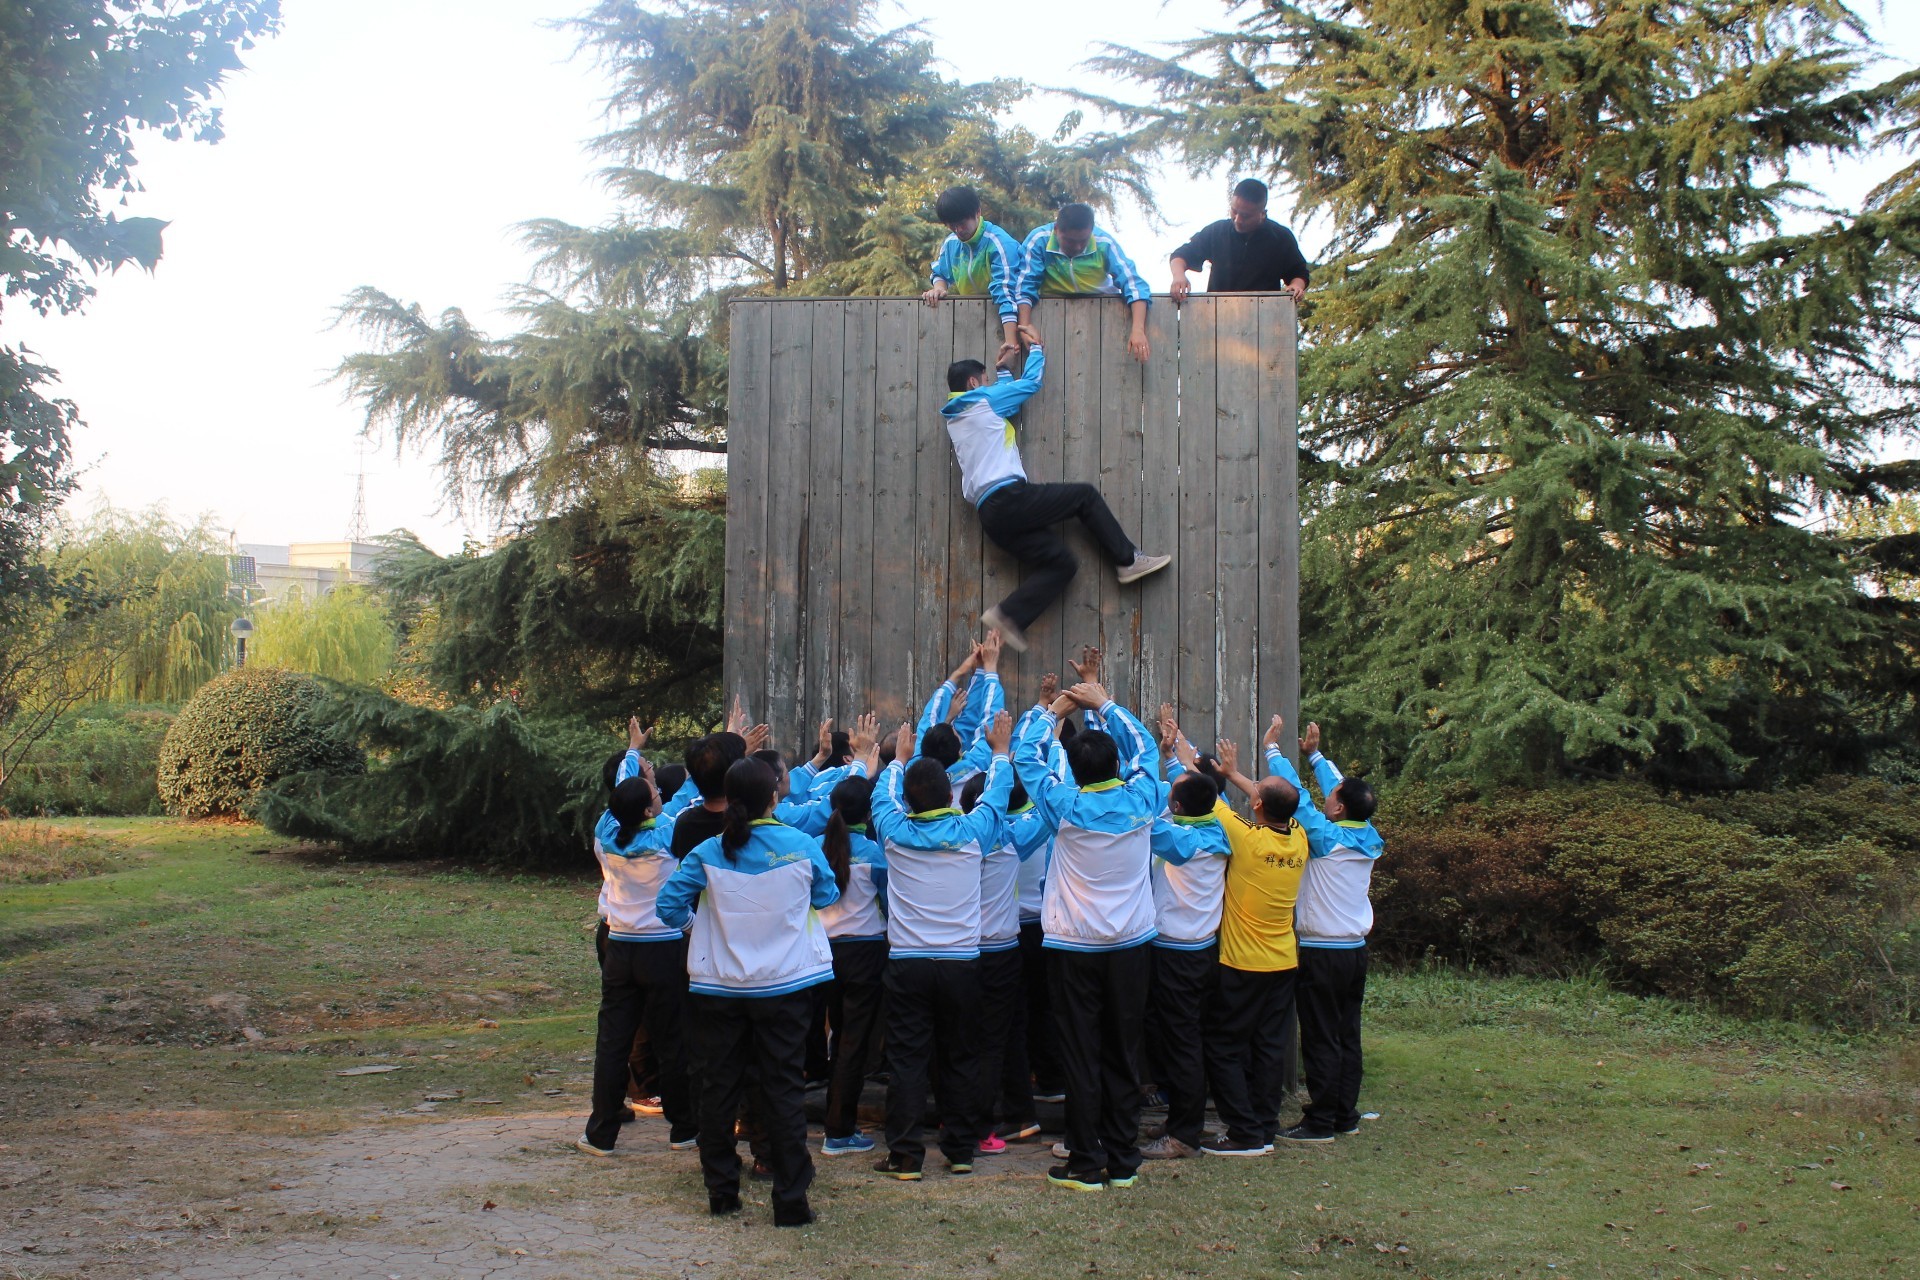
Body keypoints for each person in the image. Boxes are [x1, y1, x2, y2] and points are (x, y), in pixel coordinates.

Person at [657, 756, 839, 1227]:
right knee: (782, 1089)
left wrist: (699, 926)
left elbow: (667, 905)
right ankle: (791, 1202)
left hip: (719, 988)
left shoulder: (707, 851)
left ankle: (721, 1193)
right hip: (785, 985)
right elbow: (827, 896)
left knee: (718, 1089)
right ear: (775, 795)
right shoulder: (800, 845)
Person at [1011, 680, 1163, 1193]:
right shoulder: (1144, 798)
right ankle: (1123, 1159)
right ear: (1116, 766)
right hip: (1131, 947)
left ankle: (1082, 1161)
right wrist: (1106, 705)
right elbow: (1145, 747)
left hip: (1074, 949)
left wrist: (1052, 709)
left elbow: (1023, 754)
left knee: (1079, 1052)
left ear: (1071, 769)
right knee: (1123, 1052)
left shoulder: (1061, 804)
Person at [942, 333, 1170, 651]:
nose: (989, 384)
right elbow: (1031, 383)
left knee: (1062, 562)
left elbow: (1001, 412)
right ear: (972, 382)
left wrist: (1004, 371)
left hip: (991, 516)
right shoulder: (983, 401)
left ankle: (1009, 615)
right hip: (1009, 498)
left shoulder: (962, 414)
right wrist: (1036, 349)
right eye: (985, 379)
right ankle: (1128, 560)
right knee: (1084, 496)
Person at [868, 711, 1017, 1180]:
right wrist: (999, 751)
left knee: (909, 1061)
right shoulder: (975, 832)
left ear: (909, 799)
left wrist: (897, 759)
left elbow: (879, 795)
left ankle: (907, 1157)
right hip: (961, 965)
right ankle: (959, 1151)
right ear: (949, 794)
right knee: (961, 1057)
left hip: (908, 964)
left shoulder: (893, 832)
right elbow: (997, 792)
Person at [576, 725, 698, 1158]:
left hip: (620, 947)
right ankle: (684, 1128)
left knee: (613, 1041)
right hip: (662, 949)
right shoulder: (666, 836)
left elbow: (629, 789)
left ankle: (600, 1132)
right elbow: (688, 794)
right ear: (649, 809)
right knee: (672, 1041)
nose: (660, 796)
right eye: (654, 795)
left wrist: (633, 751)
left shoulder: (607, 831)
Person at [1264, 718, 1383, 1143]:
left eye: (1333, 797)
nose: (1329, 795)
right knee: (1347, 1033)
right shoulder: (1368, 835)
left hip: (1322, 952)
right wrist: (1315, 756)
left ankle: (1320, 1121)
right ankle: (1344, 1114)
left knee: (1319, 1036)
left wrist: (1274, 752)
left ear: (1338, 809)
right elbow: (1344, 790)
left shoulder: (1325, 837)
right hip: (1354, 951)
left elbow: (1294, 799)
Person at [1196, 733, 1309, 1157]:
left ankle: (1242, 1133)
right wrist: (1238, 774)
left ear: (1258, 806)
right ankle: (1264, 1124)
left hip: (1243, 965)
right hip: (1283, 963)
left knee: (1224, 1046)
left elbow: (1209, 796)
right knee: (1267, 1046)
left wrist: (1194, 758)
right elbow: (1272, 802)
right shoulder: (1297, 837)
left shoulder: (1245, 839)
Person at [1132, 704, 1233, 1160]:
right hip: (1204, 950)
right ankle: (1185, 1121)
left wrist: (1144, 758)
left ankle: (1183, 1134)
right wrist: (1171, 750)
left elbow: (1137, 818)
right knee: (1189, 1038)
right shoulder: (1221, 824)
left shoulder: (1178, 839)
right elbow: (1196, 792)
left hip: (1175, 954)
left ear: (1176, 806)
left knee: (1183, 1044)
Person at [817, 715, 891, 1155]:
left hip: (825, 953)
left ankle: (834, 1119)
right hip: (865, 953)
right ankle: (839, 1130)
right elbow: (887, 901)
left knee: (836, 1036)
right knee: (853, 1045)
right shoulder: (875, 854)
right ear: (869, 813)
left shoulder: (820, 848)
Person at [1015, 202, 1153, 361]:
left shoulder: (1104, 243)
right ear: (1056, 230)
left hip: (1104, 317)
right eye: (1070, 241)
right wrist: (1025, 327)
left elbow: (1133, 284)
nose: (1078, 246)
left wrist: (1138, 330)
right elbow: (1025, 284)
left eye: (1084, 240)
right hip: (1053, 318)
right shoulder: (1039, 240)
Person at [922, 185, 1024, 364]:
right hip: (971, 321)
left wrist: (1011, 343)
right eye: (952, 226)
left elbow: (1006, 294)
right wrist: (938, 288)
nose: (958, 230)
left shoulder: (999, 243)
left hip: (1007, 320)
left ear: (977, 212)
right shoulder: (951, 243)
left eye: (962, 224)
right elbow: (940, 272)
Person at [1168, 178, 1311, 303]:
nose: (1237, 220)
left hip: (1262, 320)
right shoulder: (1216, 231)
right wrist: (1179, 276)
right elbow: (1181, 255)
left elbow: (1299, 272)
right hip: (1217, 317)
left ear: (1262, 214)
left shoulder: (1281, 237)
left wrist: (1296, 286)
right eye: (1234, 211)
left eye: (1246, 216)